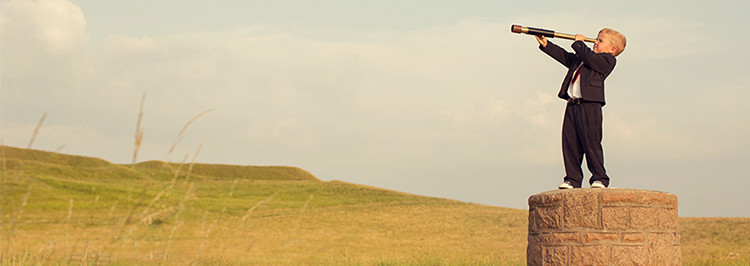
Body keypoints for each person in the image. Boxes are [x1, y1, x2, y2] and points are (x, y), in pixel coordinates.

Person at [535, 28, 626, 189]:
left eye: (600, 41)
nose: (595, 42)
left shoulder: (606, 61)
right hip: (572, 104)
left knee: (591, 142)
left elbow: (590, 59)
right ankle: (572, 179)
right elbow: (566, 57)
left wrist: (578, 43)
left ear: (612, 49)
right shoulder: (583, 58)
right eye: (596, 39)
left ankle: (599, 177)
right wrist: (547, 45)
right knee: (570, 143)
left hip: (590, 106)